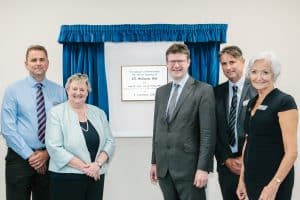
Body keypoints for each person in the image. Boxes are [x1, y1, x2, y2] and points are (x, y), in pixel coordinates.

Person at [149, 43, 216, 200]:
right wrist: (154, 162)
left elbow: (208, 134)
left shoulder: (204, 90)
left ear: (188, 62)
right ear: (167, 63)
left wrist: (203, 168)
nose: (176, 65)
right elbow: (157, 130)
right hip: (164, 170)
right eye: (172, 61)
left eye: (180, 61)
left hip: (191, 171)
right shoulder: (161, 92)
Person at [1, 45, 67, 200]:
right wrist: (31, 156)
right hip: (19, 159)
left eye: (42, 59)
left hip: (50, 158)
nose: (38, 63)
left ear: (48, 63)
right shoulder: (13, 90)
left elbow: (65, 128)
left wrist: (47, 153)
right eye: (34, 60)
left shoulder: (60, 91)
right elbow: (7, 129)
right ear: (26, 64)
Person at [236, 51, 298, 200]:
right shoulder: (251, 103)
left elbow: (292, 152)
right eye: (254, 72)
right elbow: (248, 142)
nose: (259, 77)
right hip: (252, 177)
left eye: (265, 72)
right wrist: (241, 179)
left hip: (274, 178)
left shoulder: (285, 101)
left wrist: (274, 184)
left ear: (274, 75)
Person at [45, 73, 116, 200]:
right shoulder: (56, 113)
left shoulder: (99, 113)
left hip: (95, 175)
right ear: (67, 90)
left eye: (82, 89)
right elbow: (54, 147)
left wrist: (97, 165)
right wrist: (86, 168)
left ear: (87, 92)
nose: (78, 92)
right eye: (74, 89)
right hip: (66, 177)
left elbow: (110, 141)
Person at [214, 46, 256, 200]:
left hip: (253, 165)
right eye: (224, 64)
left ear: (243, 62)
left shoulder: (257, 90)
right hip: (227, 168)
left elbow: (263, 132)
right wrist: (226, 159)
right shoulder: (215, 93)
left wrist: (244, 160)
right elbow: (213, 132)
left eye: (232, 62)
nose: (228, 67)